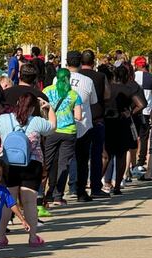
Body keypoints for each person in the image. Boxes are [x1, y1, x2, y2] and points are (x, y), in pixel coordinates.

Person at [0, 93, 56, 247]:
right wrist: (49, 109)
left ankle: (1, 237)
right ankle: (32, 237)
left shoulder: (3, 119)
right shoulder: (36, 121)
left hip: (8, 164)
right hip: (32, 165)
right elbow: (52, 127)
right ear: (33, 108)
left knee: (8, 202)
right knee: (29, 202)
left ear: (17, 104)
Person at [103, 63, 145, 195]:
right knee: (121, 155)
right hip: (122, 123)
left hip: (108, 122)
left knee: (107, 155)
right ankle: (117, 186)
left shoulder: (108, 88)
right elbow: (142, 104)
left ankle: (104, 182)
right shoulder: (127, 89)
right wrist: (130, 112)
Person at [42, 67, 83, 204]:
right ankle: (58, 196)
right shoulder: (74, 94)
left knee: (47, 162)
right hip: (68, 132)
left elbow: (41, 108)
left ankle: (42, 194)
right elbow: (78, 116)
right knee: (63, 164)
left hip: (51, 130)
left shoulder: (47, 91)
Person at [66, 50, 99, 200]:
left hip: (63, 124)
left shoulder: (57, 80)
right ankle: (80, 190)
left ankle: (62, 190)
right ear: (80, 63)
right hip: (83, 123)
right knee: (82, 160)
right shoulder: (87, 81)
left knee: (65, 159)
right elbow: (93, 101)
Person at [79, 49, 110, 199]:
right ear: (93, 61)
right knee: (96, 155)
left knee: (78, 155)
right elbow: (107, 95)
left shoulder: (76, 77)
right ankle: (95, 187)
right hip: (96, 117)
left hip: (78, 119)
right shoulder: (100, 76)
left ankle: (76, 185)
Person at [134, 56, 152, 169]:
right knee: (144, 136)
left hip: (135, 110)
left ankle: (134, 160)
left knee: (134, 135)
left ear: (137, 65)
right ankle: (141, 159)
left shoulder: (132, 77)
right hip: (147, 109)